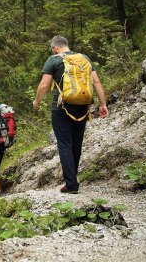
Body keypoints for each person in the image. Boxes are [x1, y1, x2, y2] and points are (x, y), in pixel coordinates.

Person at [33, 35, 108, 194]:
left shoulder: (53, 60)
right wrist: (103, 104)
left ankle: (71, 184)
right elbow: (96, 82)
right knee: (76, 143)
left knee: (65, 144)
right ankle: (72, 179)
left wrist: (37, 101)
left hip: (60, 107)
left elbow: (45, 84)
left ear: (55, 47)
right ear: (66, 45)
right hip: (82, 106)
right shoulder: (84, 58)